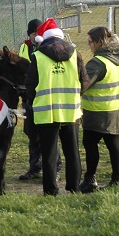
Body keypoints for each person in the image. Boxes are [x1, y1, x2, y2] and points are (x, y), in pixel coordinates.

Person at [25, 18, 89, 196]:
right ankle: (74, 187)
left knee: (49, 154)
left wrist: (36, 100)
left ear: (43, 38)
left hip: (46, 112)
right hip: (71, 111)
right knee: (72, 152)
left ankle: (50, 190)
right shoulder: (75, 53)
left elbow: (30, 87)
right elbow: (85, 82)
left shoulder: (37, 56)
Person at [78, 27, 119, 192]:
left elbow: (83, 86)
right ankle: (116, 180)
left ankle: (90, 180)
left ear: (100, 42)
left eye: (90, 42)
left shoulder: (98, 62)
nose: (89, 45)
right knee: (113, 144)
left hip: (98, 112)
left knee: (90, 144)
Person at [18, 18, 62, 180]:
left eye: (38, 32)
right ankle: (35, 167)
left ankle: (55, 168)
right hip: (29, 96)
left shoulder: (48, 49)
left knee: (49, 136)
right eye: (33, 33)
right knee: (31, 132)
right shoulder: (25, 47)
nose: (36, 36)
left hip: (44, 97)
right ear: (29, 35)